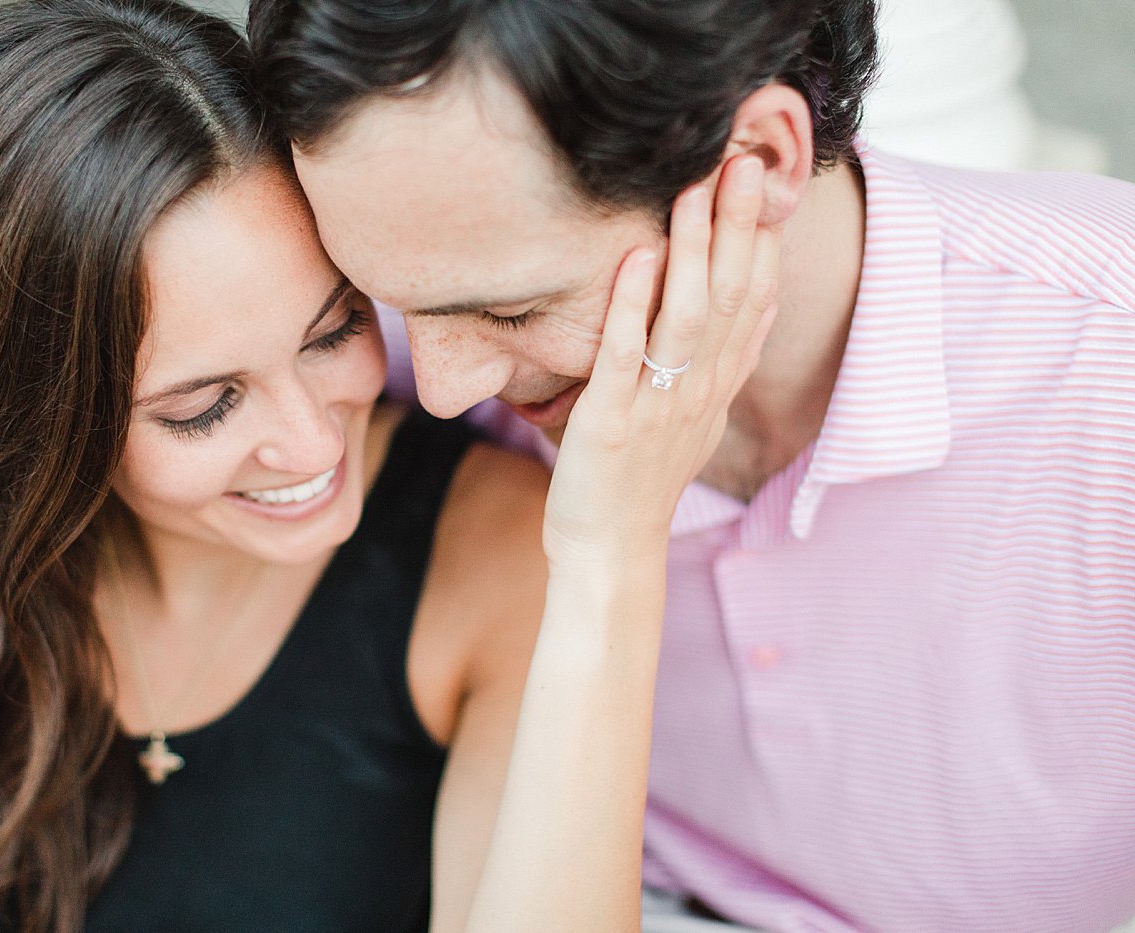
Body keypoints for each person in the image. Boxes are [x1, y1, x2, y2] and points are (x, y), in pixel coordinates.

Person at [0, 1, 776, 931]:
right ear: (38, 418)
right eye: (203, 407)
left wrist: (611, 557)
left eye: (335, 332)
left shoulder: (490, 555)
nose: (311, 443)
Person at [247, 1, 1135, 931]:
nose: (439, 388)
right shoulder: (370, 326)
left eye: (511, 312)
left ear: (758, 162)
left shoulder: (1103, 363)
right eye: (382, 299)